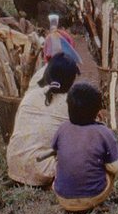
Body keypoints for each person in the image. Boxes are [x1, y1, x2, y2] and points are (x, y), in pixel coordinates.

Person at [6, 53, 79, 187]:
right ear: (72, 80)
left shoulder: (30, 96)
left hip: (14, 164)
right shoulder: (71, 104)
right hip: (42, 170)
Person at [51, 82, 118, 213]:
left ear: (68, 107)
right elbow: (116, 167)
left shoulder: (62, 128)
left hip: (61, 196)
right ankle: (93, 198)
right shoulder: (104, 132)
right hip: (92, 197)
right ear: (98, 111)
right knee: (110, 168)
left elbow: (55, 152)